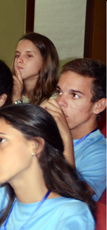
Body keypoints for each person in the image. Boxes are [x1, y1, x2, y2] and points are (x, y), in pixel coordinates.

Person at [42, 58, 106, 201]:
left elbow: (73, 197)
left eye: (74, 95)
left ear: (99, 105)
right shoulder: (47, 134)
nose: (60, 102)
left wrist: (65, 137)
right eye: (59, 92)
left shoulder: (101, 152)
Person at [11, 32, 59, 105]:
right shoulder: (10, 91)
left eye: (29, 56)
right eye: (17, 55)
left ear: (45, 61)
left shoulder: (53, 101)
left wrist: (17, 100)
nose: (19, 60)